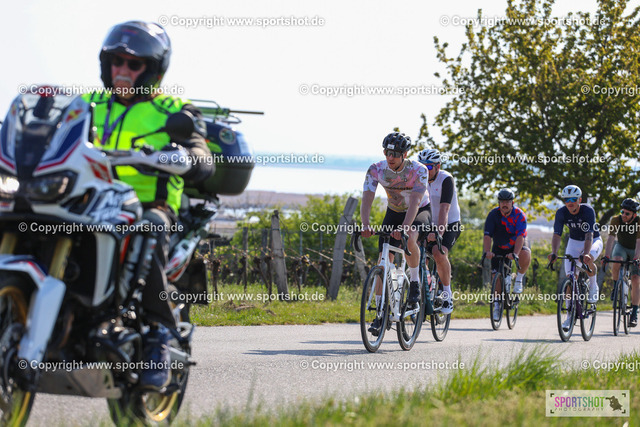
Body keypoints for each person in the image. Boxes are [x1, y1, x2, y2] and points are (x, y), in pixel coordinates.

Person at [83, 21, 214, 389]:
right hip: (90, 203)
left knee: (147, 229)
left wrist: (189, 158)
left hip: (150, 205)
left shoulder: (174, 109)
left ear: (153, 70)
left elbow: (201, 154)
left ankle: (159, 334)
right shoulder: (86, 104)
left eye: (133, 64)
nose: (122, 70)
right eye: (116, 62)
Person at [361, 132, 431, 335]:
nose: (390, 157)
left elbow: (415, 202)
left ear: (405, 154)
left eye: (395, 154)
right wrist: (365, 224)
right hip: (394, 211)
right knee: (383, 261)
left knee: (410, 238)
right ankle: (380, 313)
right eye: (387, 152)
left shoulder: (419, 170)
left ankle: (415, 282)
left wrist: (405, 227)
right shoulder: (376, 169)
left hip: (419, 211)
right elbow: (367, 197)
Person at [548, 185, 603, 331]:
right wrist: (554, 252)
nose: (570, 202)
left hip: (592, 240)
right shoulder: (561, 212)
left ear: (579, 199)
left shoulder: (588, 210)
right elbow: (557, 234)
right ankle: (569, 317)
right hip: (573, 242)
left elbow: (589, 234)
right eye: (567, 199)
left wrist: (586, 253)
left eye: (573, 199)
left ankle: (593, 285)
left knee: (588, 259)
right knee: (570, 278)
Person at [417, 148, 461, 314]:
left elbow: (444, 209)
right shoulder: (417, 179)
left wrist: (438, 233)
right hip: (428, 222)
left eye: (429, 167)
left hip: (450, 223)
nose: (425, 171)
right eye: (422, 167)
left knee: (438, 251)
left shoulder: (446, 179)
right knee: (417, 253)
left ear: (437, 166)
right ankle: (426, 286)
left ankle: (447, 295)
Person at [483, 189, 531, 321]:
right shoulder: (493, 214)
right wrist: (487, 251)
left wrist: (515, 253)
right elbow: (487, 236)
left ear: (512, 203)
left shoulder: (519, 215)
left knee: (525, 252)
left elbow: (521, 236)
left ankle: (519, 279)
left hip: (516, 244)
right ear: (499, 202)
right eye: (502, 201)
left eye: (507, 201)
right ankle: (497, 305)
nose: (504, 204)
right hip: (499, 246)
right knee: (496, 277)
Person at [602, 198, 640, 327]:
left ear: (634, 215)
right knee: (616, 260)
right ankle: (615, 286)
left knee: (636, 279)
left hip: (636, 249)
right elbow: (611, 238)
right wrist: (606, 256)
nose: (624, 215)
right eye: (622, 212)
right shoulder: (616, 220)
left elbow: (639, 242)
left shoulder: (639, 222)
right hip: (622, 246)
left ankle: (634, 313)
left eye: (627, 213)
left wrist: (636, 258)